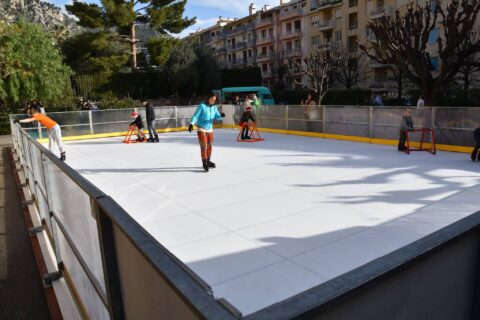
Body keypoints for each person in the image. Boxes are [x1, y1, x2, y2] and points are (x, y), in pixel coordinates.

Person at [188, 93, 225, 172]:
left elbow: (217, 117)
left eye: (214, 100)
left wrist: (221, 115)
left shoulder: (214, 107)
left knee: (209, 145)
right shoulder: (202, 106)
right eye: (212, 99)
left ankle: (208, 160)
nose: (213, 101)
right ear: (208, 98)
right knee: (204, 145)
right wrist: (192, 124)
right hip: (201, 128)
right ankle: (204, 162)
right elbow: (196, 116)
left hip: (210, 129)